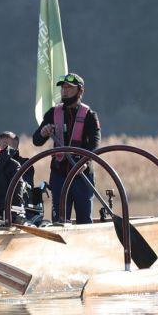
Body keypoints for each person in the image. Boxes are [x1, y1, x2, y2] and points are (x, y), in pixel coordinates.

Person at [32, 73, 101, 224]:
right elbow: (36, 140)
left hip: (82, 175)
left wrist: (84, 161)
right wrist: (43, 133)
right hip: (59, 176)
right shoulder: (53, 113)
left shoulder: (90, 116)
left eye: (69, 88)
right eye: (63, 87)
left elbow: (94, 146)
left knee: (84, 220)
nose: (65, 91)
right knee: (59, 221)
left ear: (80, 91)